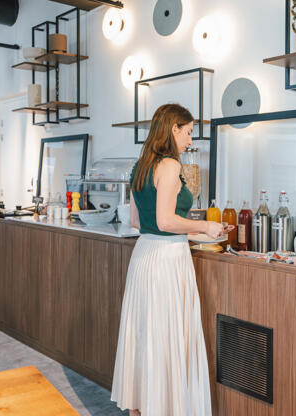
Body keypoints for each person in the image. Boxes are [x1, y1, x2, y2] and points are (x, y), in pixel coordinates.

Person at [111, 103, 227, 415]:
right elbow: (165, 221)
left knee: (147, 337)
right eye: (188, 133)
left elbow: (139, 221)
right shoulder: (170, 166)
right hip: (167, 262)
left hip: (145, 255)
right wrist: (204, 226)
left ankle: (143, 407)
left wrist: (190, 233)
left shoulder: (141, 166)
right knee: (168, 338)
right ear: (173, 129)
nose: (190, 140)